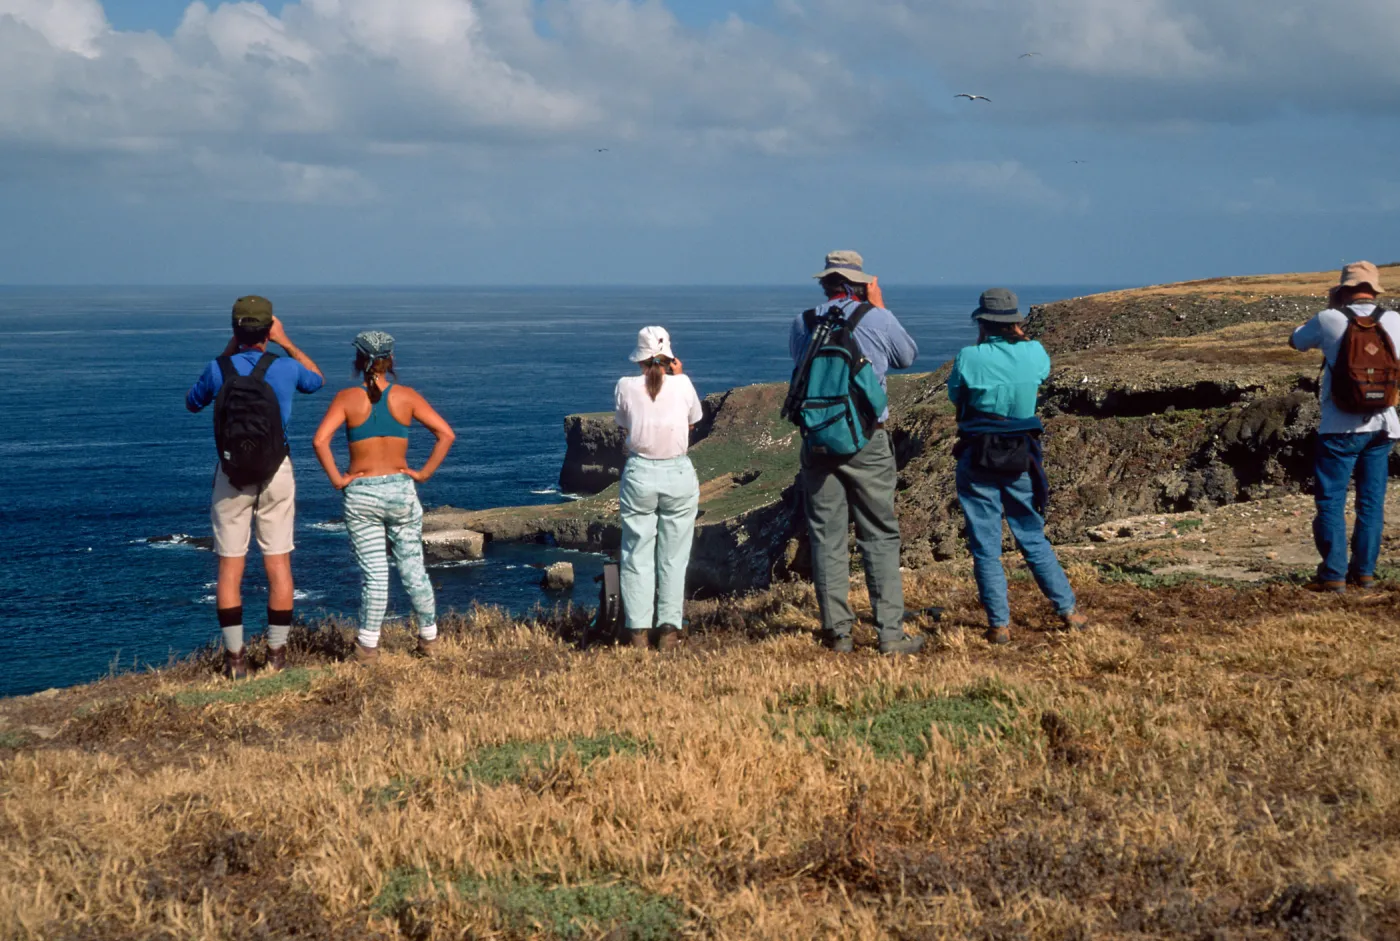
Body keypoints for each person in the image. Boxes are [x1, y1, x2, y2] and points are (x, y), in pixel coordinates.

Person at [791, 250, 924, 655]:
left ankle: (838, 634)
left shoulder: (804, 321)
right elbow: (907, 357)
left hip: (818, 439)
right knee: (879, 533)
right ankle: (889, 634)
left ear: (824, 283)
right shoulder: (877, 318)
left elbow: (800, 365)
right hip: (867, 438)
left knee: (826, 536)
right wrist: (878, 305)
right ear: (861, 282)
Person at [187, 296, 325, 678]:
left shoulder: (218, 369)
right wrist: (287, 342)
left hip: (231, 475)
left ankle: (235, 662)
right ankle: (276, 657)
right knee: (277, 564)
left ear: (234, 330)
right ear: (268, 330)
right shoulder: (285, 368)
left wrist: (228, 352)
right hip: (276, 472)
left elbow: (192, 403)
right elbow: (317, 380)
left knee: (230, 570)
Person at [948, 288, 1087, 644]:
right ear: (1015, 321)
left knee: (985, 546)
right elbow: (1041, 373)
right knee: (1032, 535)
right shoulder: (1035, 353)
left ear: (982, 321)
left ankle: (1000, 624)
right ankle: (1068, 610)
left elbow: (956, 395)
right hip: (1020, 455)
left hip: (977, 454)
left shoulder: (969, 356)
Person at [312, 331, 456, 661]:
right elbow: (446, 434)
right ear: (391, 360)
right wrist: (422, 474)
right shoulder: (406, 397)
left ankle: (368, 648)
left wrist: (338, 479)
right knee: (413, 569)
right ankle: (430, 640)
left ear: (359, 360)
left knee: (375, 575)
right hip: (400, 491)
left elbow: (320, 441)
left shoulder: (347, 398)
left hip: (362, 494)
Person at [1289, 262, 1400, 592]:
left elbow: (1296, 341)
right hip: (1383, 425)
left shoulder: (1329, 319)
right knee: (1370, 501)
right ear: (1374, 289)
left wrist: (1330, 310)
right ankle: (1364, 573)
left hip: (1339, 426)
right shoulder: (1394, 320)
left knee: (1331, 501)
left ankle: (1333, 574)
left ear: (1343, 289)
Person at [614, 326, 703, 650]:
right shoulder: (683, 384)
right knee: (673, 556)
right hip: (677, 471)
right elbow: (692, 420)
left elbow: (624, 423)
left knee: (637, 552)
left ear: (640, 357)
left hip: (640, 472)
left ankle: (637, 631)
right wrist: (679, 375)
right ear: (668, 357)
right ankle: (668, 630)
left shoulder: (625, 386)